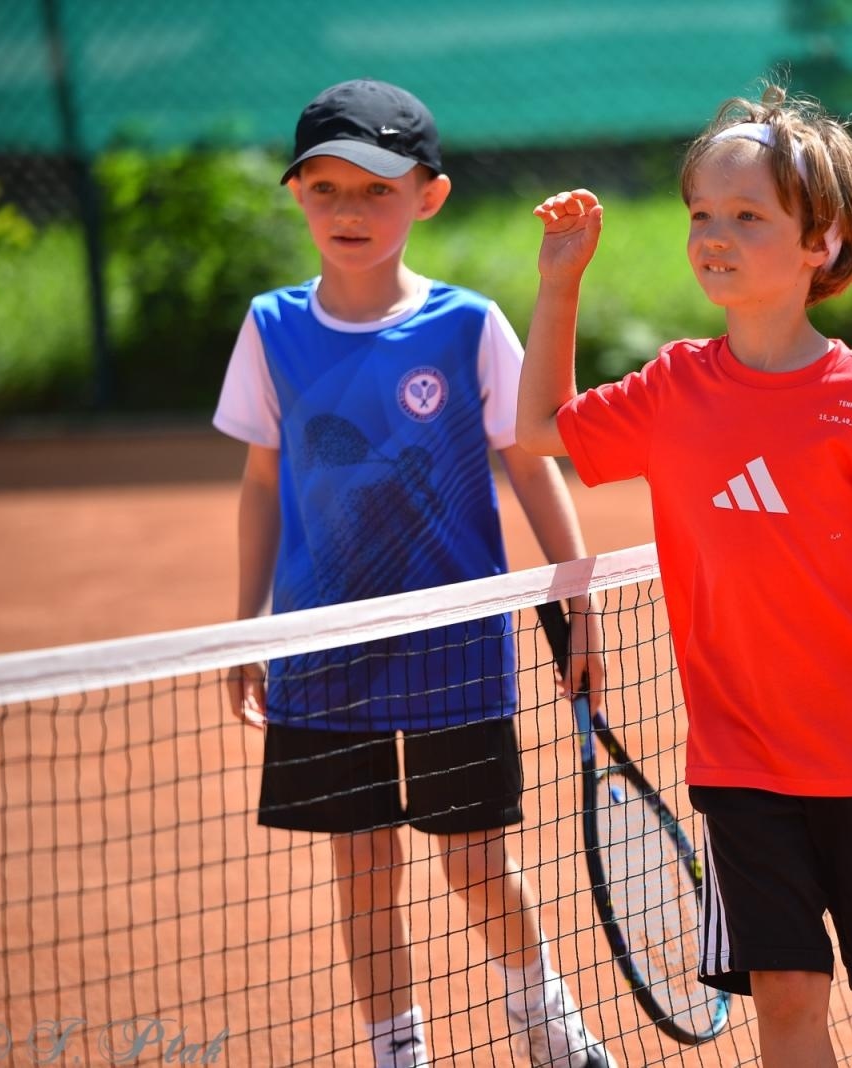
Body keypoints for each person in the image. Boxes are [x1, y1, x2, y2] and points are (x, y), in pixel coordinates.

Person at [516, 85, 852, 1066]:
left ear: (819, 243)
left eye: (746, 216)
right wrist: (559, 284)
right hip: (738, 766)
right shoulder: (672, 389)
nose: (714, 234)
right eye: (700, 214)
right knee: (787, 1000)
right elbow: (538, 431)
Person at [215, 78, 617, 1068]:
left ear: (426, 198)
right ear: (298, 194)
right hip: (321, 652)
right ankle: (401, 1054)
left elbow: (531, 456)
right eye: (326, 189)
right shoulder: (271, 328)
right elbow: (262, 483)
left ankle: (549, 1030)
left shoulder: (467, 325)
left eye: (377, 190)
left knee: (478, 865)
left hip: (455, 653)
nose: (350, 213)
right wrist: (245, 627)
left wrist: (578, 593)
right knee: (362, 870)